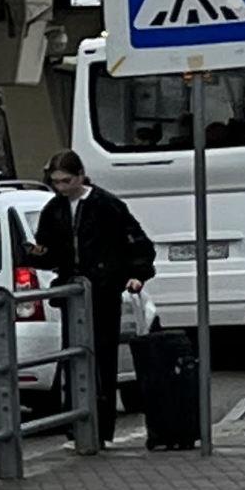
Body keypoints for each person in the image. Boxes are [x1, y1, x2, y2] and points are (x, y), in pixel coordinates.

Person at [34, 149, 156, 443]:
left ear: (80, 177)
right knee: (74, 358)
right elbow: (48, 249)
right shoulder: (55, 209)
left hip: (102, 290)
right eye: (56, 182)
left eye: (65, 181)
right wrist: (37, 253)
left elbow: (137, 242)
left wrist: (137, 273)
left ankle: (99, 428)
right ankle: (76, 425)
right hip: (72, 291)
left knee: (101, 357)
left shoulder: (107, 205)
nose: (61, 188)